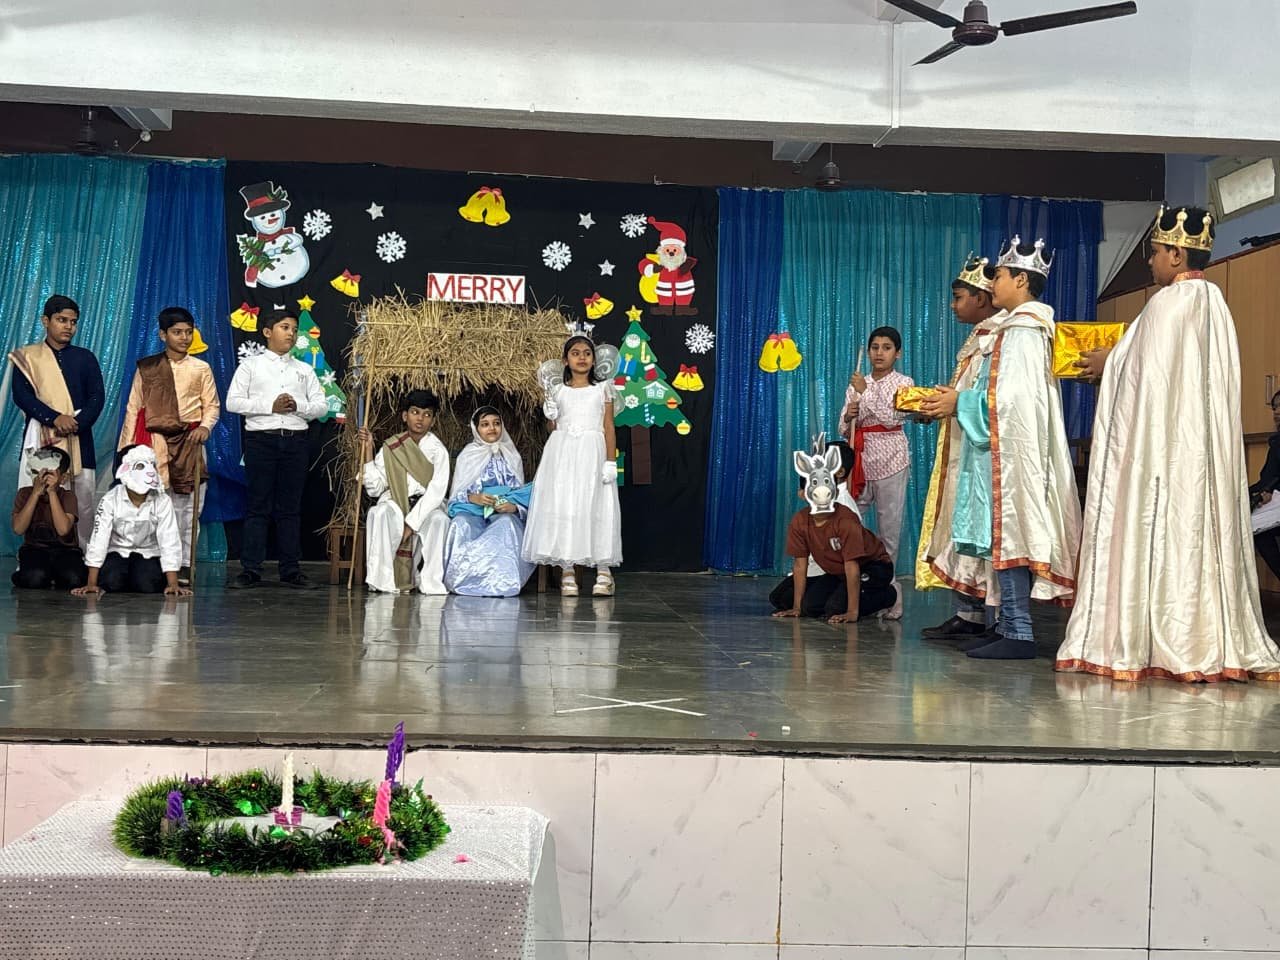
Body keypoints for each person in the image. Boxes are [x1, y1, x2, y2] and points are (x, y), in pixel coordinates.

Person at [1058, 206, 1280, 681]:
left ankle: (1159, 638)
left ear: (1177, 254)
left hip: (1165, 455)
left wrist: (1107, 364)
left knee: (1160, 532)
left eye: (1156, 252)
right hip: (1200, 456)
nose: (1151, 261)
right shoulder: (1214, 302)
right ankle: (1209, 638)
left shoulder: (1168, 303)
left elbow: (1147, 380)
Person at [921, 237, 1080, 660]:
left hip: (1013, 454)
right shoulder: (1013, 328)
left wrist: (960, 403)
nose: (993, 283)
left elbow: (1012, 401)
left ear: (1022, 280)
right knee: (1002, 536)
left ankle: (1019, 631)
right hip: (998, 448)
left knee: (1013, 533)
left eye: (1001, 276)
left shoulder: (1025, 332)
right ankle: (1008, 625)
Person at [918, 255, 1004, 642]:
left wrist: (956, 405)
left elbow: (996, 398)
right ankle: (969, 613)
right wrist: (937, 407)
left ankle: (1000, 618)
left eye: (958, 298)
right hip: (964, 445)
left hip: (984, 453)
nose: (953, 306)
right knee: (960, 529)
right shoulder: (978, 337)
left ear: (981, 298)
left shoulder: (1001, 337)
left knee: (984, 532)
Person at [225, 309, 328, 590]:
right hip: (261, 440)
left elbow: (321, 406)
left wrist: (298, 406)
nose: (291, 333)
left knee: (290, 508)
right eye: (285, 327)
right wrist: (269, 406)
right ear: (268, 332)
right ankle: (250, 569)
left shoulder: (304, 370)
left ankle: (291, 570)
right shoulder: (251, 366)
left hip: (295, 442)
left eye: (294, 329)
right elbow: (233, 402)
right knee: (258, 506)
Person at [119, 307, 220, 584]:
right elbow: (134, 408)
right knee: (156, 505)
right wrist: (128, 449)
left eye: (188, 332)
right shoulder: (148, 368)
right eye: (177, 332)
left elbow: (212, 406)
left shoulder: (201, 368)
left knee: (188, 509)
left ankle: (184, 564)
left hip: (190, 442)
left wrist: (204, 427)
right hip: (156, 443)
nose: (184, 338)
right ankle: (157, 562)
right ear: (163, 335)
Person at [522, 326, 623, 596]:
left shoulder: (603, 389)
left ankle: (604, 571)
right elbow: (553, 427)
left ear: (594, 359)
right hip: (563, 454)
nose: (582, 358)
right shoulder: (557, 390)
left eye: (587, 353)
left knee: (597, 506)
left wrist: (610, 461)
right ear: (565, 360)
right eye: (575, 353)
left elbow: (609, 426)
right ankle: (567, 569)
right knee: (565, 506)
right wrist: (550, 415)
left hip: (592, 452)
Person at [9, 294, 105, 551]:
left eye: (73, 322)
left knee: (83, 498)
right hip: (40, 434)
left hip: (79, 435)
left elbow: (97, 397)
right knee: (37, 488)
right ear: (45, 321)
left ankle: (84, 556)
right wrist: (54, 418)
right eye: (62, 320)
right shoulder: (28, 357)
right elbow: (22, 396)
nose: (68, 327)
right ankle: (35, 551)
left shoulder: (85, 357)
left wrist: (76, 422)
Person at [770, 441, 897, 623]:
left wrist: (852, 612)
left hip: (871, 566)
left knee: (835, 608)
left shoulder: (845, 519)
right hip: (838, 571)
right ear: (803, 493)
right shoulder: (800, 521)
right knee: (808, 607)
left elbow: (852, 565)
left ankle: (888, 595)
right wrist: (797, 608)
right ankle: (837, 596)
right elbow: (800, 564)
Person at [358, 390, 451, 595]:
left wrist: (410, 524)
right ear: (404, 416)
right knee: (379, 513)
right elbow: (375, 488)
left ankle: (431, 583)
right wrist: (369, 451)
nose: (420, 419)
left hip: (426, 506)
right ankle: (382, 581)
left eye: (427, 414)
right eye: (415, 412)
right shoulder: (392, 446)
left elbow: (436, 491)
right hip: (396, 502)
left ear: (433, 421)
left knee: (440, 520)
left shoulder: (438, 451)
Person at [839, 326, 914, 565]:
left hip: (892, 460)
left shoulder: (904, 383)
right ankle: (853, 577)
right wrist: (849, 417)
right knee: (850, 520)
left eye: (886, 348)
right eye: (874, 347)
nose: (879, 353)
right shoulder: (857, 382)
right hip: (860, 460)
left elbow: (892, 419)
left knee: (889, 528)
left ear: (897, 353)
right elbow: (842, 429)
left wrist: (866, 392)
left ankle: (887, 583)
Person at [73, 445, 188, 597]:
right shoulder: (110, 499)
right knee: (111, 582)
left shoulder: (163, 500)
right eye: (140, 466)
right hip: (117, 551)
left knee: (147, 584)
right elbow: (99, 538)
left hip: (149, 552)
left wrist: (172, 584)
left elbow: (169, 539)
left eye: (152, 465)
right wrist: (91, 583)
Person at [444, 406, 535, 597]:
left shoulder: (512, 455)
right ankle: (464, 580)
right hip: (473, 510)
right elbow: (455, 494)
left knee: (506, 524)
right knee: (460, 524)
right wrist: (474, 497)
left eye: (496, 423)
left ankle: (500, 582)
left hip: (502, 512)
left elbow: (519, 494)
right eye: (485, 424)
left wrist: (513, 507)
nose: (492, 428)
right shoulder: (468, 455)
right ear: (476, 429)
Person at [10, 446, 86, 590]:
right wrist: (35, 494)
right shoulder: (24, 494)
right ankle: (26, 572)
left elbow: (63, 529)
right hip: (34, 549)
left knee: (74, 579)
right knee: (34, 579)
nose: (41, 479)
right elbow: (18, 529)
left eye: (48, 474)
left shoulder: (68, 496)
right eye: (36, 472)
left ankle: (54, 574)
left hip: (65, 550)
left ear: (62, 478)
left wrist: (52, 493)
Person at [1251, 390, 1280, 580]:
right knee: (1258, 530)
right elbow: (1268, 477)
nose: (1276, 411)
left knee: (1254, 527)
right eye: (1274, 407)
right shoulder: (1276, 442)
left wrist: (1267, 490)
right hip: (1274, 500)